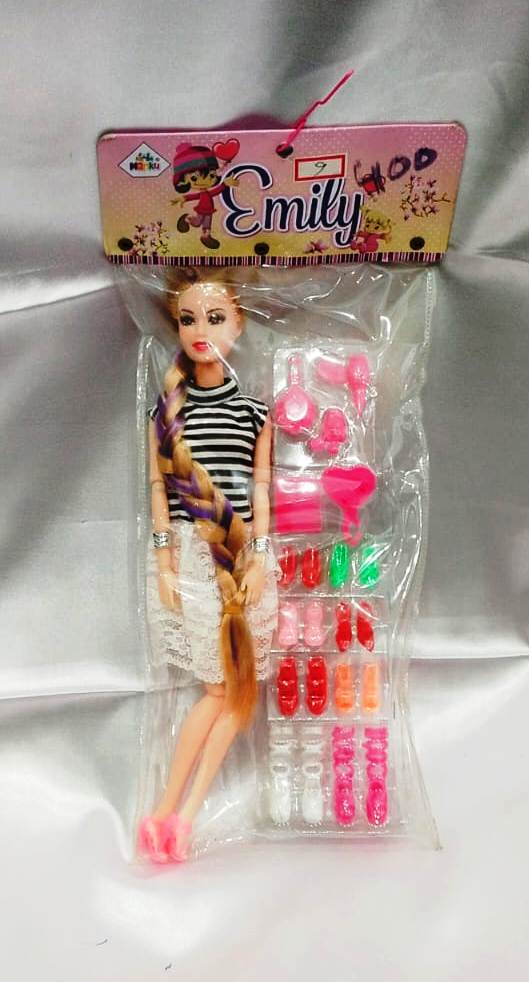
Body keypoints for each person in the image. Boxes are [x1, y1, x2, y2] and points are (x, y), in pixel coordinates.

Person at [139, 268, 277, 863]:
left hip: (242, 556)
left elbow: (261, 489)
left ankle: (176, 815)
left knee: (234, 694)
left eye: (216, 318)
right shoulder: (166, 412)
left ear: (239, 325)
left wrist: (262, 557)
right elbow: (159, 491)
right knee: (221, 690)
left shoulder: (255, 412)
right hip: (195, 558)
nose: (201, 330)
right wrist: (164, 560)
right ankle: (172, 813)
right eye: (189, 318)